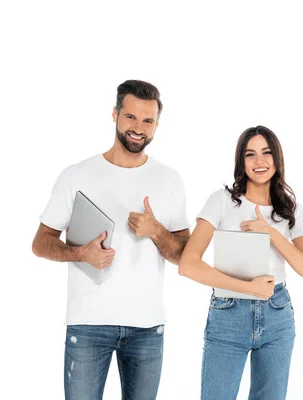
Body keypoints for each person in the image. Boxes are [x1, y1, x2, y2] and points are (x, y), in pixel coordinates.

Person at [32, 80, 191, 400]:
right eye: (131, 117)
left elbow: (184, 256)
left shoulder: (169, 179)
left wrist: (156, 231)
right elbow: (41, 242)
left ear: (157, 125)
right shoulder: (76, 175)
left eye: (148, 121)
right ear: (115, 114)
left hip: (147, 327)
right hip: (88, 323)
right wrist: (81, 253)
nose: (138, 128)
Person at [178, 125, 303, 400]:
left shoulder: (292, 209)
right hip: (228, 312)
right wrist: (247, 288)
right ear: (241, 162)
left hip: (277, 313)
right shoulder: (221, 201)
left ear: (277, 159)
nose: (259, 161)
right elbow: (188, 265)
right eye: (250, 154)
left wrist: (271, 234)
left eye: (267, 153)